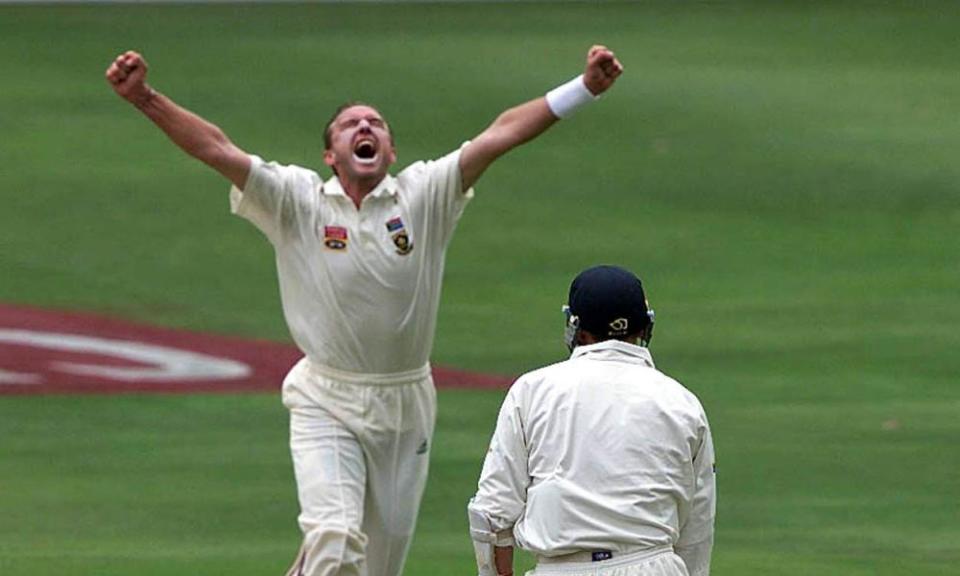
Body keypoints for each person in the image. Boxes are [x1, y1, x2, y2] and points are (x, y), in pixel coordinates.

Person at [105, 46, 623, 576]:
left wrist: (582, 89)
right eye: (350, 124)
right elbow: (216, 149)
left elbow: (500, 135)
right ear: (331, 154)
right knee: (333, 538)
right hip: (326, 396)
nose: (364, 126)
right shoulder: (296, 200)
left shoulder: (424, 195)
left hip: (406, 402)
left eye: (374, 122)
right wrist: (144, 97)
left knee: (378, 566)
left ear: (390, 150)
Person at [467, 265, 716, 576]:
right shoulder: (682, 403)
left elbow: (492, 515)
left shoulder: (532, 391)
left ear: (577, 329)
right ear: (643, 328)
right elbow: (697, 528)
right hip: (655, 566)